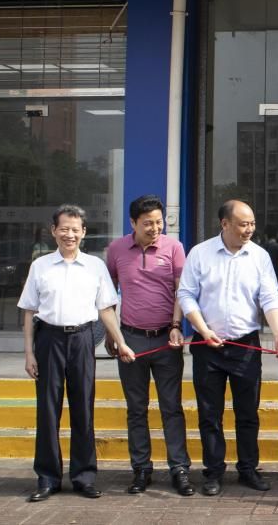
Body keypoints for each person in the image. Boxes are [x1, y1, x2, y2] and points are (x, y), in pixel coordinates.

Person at [18, 205, 135, 503]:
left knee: (83, 408)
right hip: (48, 340)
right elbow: (29, 311)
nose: (69, 234)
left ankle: (84, 477)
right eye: (64, 229)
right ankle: (47, 478)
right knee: (48, 410)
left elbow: (106, 309)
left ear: (83, 232)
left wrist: (120, 342)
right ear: (53, 231)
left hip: (82, 340)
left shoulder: (95, 266)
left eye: (75, 229)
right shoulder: (40, 266)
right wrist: (29, 354)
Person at [177, 200, 278, 497]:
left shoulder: (260, 256)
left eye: (252, 223)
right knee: (209, 414)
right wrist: (203, 330)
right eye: (243, 224)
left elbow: (270, 297)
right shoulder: (200, 253)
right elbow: (186, 295)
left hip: (246, 345)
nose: (249, 229)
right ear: (225, 224)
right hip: (207, 346)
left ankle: (248, 468)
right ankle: (213, 471)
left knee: (248, 412)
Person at [105, 195, 194, 497]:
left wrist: (176, 325)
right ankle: (141, 468)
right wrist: (112, 335)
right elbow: (108, 295)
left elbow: (182, 290)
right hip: (130, 340)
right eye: (147, 223)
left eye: (159, 222)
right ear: (133, 223)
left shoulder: (174, 248)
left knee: (172, 407)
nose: (155, 228)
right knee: (136, 409)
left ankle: (179, 468)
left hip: (166, 340)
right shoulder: (116, 250)